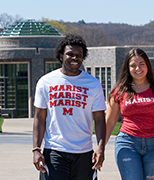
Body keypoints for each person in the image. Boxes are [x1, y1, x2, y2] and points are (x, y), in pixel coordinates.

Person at [33, 34, 106, 180]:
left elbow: (99, 118)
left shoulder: (93, 83)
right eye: (70, 54)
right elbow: (40, 118)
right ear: (61, 56)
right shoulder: (46, 82)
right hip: (55, 151)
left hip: (85, 153)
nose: (75, 58)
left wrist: (101, 148)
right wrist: (36, 150)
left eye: (79, 55)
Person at [105, 48, 154, 180]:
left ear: (147, 66)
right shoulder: (119, 91)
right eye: (133, 65)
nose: (137, 68)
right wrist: (100, 148)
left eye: (141, 64)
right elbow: (110, 122)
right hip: (128, 143)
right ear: (127, 68)